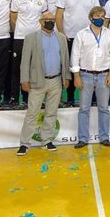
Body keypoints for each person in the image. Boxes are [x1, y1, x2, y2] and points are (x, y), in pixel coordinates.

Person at [16, 12, 71, 155]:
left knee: (51, 112)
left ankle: (47, 140)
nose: (51, 22)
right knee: (32, 113)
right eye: (48, 20)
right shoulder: (31, 38)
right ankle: (24, 143)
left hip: (56, 81)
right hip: (37, 81)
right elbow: (25, 61)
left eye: (53, 20)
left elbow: (65, 59)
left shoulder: (61, 38)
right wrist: (24, 80)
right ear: (41, 21)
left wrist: (66, 77)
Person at [72, 6, 110, 148]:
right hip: (85, 75)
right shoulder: (81, 34)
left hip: (104, 75)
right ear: (91, 17)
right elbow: (75, 55)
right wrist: (76, 76)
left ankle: (104, 137)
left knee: (104, 108)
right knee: (84, 108)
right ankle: (83, 138)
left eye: (102, 16)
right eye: (97, 16)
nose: (100, 19)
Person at [56, 0, 99, 106]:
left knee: (89, 66)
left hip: (89, 37)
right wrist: (62, 33)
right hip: (70, 36)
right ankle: (69, 97)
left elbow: (97, 13)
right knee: (71, 67)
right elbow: (59, 14)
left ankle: (91, 98)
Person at [9, 0, 46, 107]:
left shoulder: (42, 0)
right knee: (17, 69)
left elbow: (43, 18)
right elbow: (13, 19)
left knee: (35, 70)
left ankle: (30, 99)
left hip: (37, 39)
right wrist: (19, 31)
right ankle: (15, 99)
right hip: (20, 39)